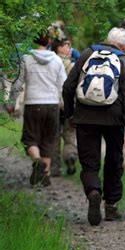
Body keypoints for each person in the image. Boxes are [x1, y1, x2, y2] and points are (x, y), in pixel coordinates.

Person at [62, 27, 125, 226]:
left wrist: (70, 114)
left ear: (107, 39)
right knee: (114, 160)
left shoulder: (87, 54)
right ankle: (111, 206)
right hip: (114, 119)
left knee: (89, 161)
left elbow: (68, 87)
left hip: (85, 116)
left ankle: (94, 190)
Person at [10, 32, 67, 187]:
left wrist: (11, 102)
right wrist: (66, 105)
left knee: (30, 138)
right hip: (52, 105)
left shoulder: (26, 58)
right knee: (49, 139)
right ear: (49, 41)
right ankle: (45, 174)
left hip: (33, 104)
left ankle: (37, 161)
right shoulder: (56, 60)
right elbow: (63, 85)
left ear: (34, 40)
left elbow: (17, 83)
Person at [50, 38, 78, 176]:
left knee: (53, 137)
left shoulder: (50, 63)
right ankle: (70, 156)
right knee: (70, 135)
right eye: (66, 45)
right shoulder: (73, 66)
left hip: (53, 103)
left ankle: (54, 168)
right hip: (69, 106)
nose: (69, 48)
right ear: (59, 48)